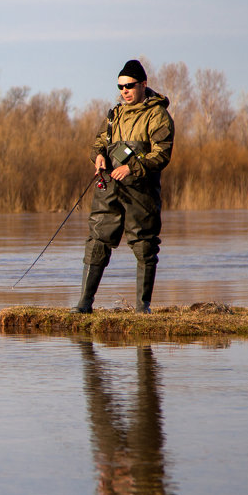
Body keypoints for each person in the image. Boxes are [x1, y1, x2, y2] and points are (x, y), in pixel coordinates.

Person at [72, 59, 174, 314]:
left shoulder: (157, 115)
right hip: (108, 186)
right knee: (97, 240)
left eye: (129, 85)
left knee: (144, 244)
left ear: (143, 85)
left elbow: (162, 154)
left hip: (141, 190)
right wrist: (98, 156)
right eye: (120, 86)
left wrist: (132, 167)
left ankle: (142, 308)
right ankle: (84, 304)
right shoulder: (113, 114)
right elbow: (98, 143)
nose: (124, 91)